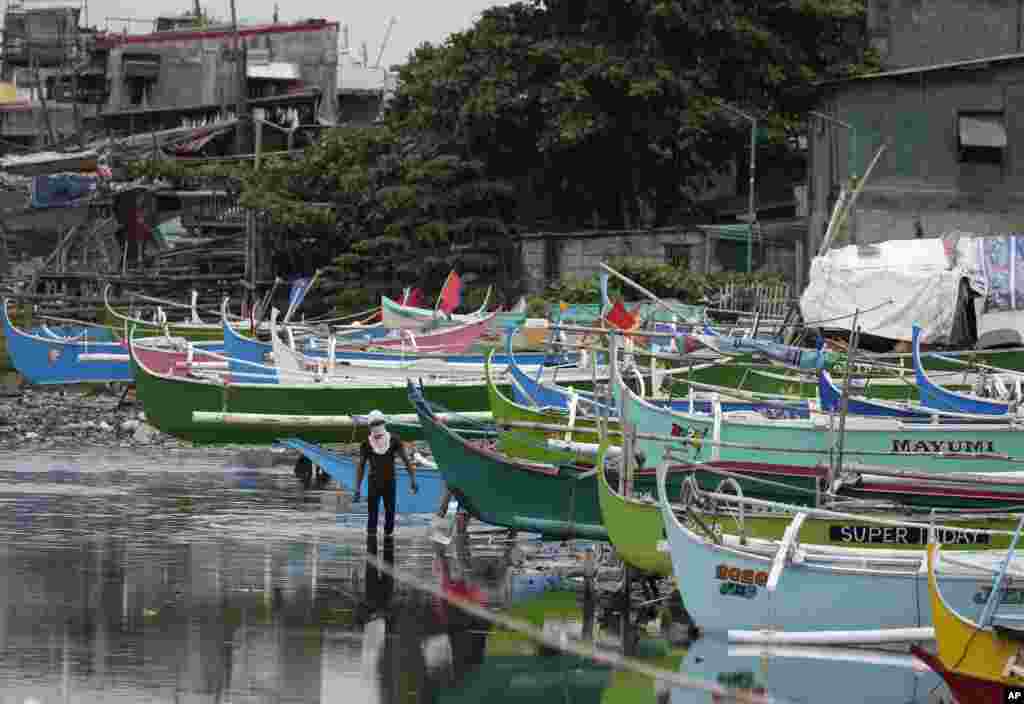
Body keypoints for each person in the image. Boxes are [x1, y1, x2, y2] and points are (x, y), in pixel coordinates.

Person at [354, 410, 418, 537]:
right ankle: (371, 543)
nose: (377, 426)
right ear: (369, 425)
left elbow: (406, 460)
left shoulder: (394, 440)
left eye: (379, 423)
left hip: (390, 482)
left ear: (384, 423)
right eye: (374, 423)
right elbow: (361, 466)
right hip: (374, 483)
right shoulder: (366, 444)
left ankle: (388, 541)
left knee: (390, 514)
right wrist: (357, 488)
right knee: (372, 515)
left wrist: (413, 479)